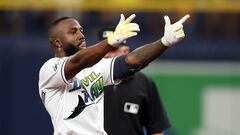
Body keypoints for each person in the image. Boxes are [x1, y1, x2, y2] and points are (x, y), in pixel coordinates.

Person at [38, 13, 190, 135]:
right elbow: (78, 62)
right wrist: (110, 41)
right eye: (73, 32)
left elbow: (133, 61)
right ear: (58, 43)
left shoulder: (94, 68)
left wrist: (164, 42)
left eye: (81, 30)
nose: (81, 35)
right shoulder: (50, 69)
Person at [98, 28, 170, 135]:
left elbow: (156, 129)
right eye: (103, 50)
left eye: (112, 50)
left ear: (125, 51)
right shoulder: (89, 80)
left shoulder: (144, 83)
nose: (107, 54)